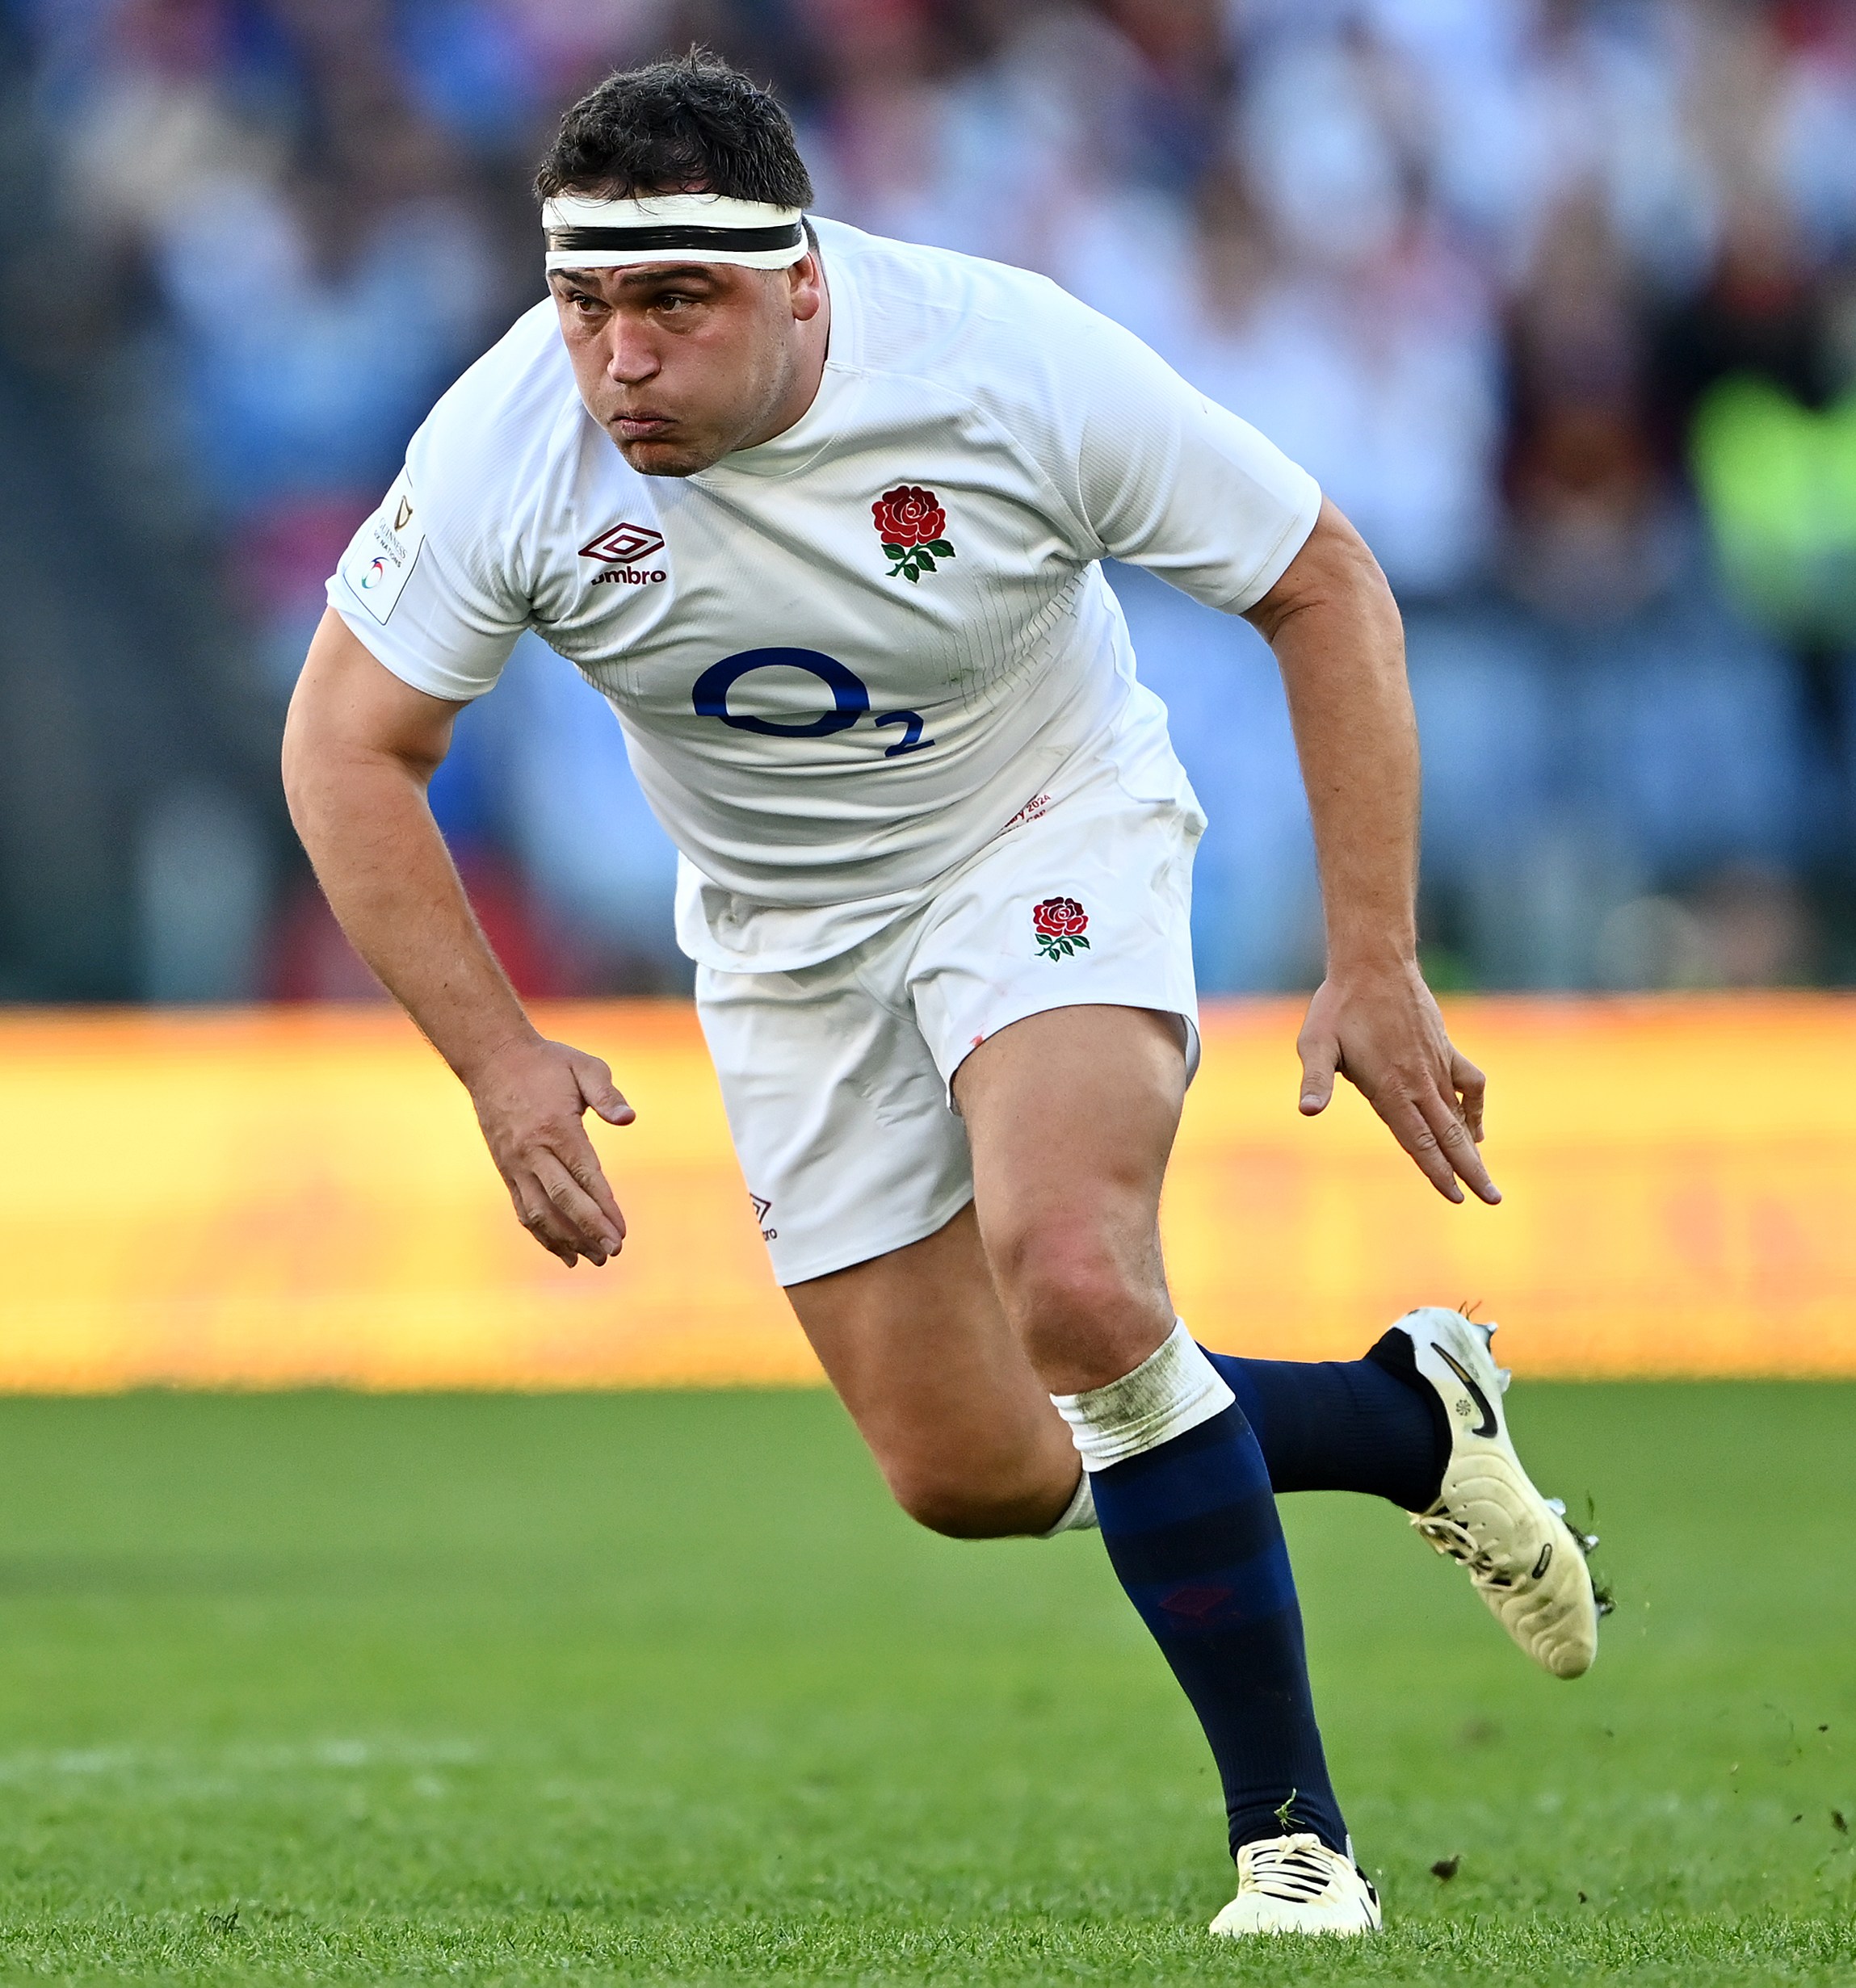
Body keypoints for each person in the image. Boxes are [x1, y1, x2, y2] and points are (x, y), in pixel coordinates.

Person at [281, 52, 1602, 1938]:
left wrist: (1374, 955)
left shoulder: (1003, 362)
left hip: (1041, 830)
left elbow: (1322, 580)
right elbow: (344, 749)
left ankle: (1294, 1843)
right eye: (587, 304)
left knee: (1076, 1278)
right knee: (973, 1474)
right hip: (782, 943)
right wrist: (498, 1057)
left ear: (803, 281)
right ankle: (1411, 1423)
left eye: (677, 301)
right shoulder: (507, 445)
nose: (621, 358)